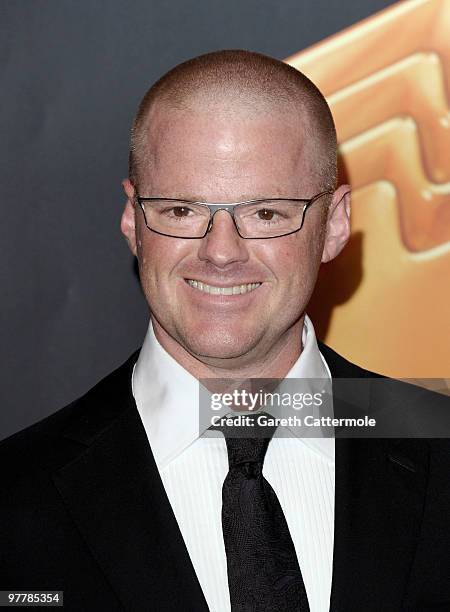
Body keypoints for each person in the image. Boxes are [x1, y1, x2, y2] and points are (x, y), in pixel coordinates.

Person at [1, 50, 449, 612]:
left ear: (335, 225)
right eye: (182, 210)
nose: (220, 252)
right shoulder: (14, 500)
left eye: (266, 213)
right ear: (132, 221)